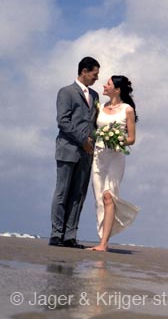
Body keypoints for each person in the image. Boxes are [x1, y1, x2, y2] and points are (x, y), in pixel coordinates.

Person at [49, 56, 100, 249]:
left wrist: (93, 143)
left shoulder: (95, 96)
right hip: (68, 148)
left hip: (87, 153)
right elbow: (63, 121)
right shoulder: (66, 92)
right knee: (62, 193)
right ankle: (56, 234)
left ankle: (70, 236)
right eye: (94, 74)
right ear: (84, 71)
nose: (96, 78)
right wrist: (82, 140)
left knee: (79, 195)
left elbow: (94, 123)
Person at [89, 75, 140, 252]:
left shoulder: (127, 110)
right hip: (99, 156)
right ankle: (101, 239)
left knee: (108, 195)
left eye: (108, 84)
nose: (104, 85)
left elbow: (132, 139)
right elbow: (93, 130)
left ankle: (103, 244)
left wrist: (118, 140)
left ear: (117, 90)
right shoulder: (100, 107)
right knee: (99, 200)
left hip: (116, 157)